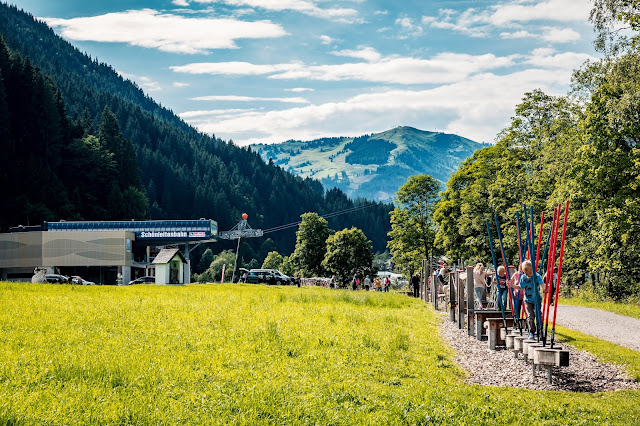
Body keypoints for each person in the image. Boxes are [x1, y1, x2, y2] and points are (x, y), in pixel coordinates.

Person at [510, 260, 543, 339]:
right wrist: (512, 285)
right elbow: (520, 287)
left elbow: (542, 284)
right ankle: (531, 331)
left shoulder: (537, 276)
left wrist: (545, 288)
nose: (528, 275)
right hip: (528, 300)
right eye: (526, 273)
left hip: (537, 299)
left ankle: (539, 330)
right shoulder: (523, 277)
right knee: (530, 316)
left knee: (538, 315)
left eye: (530, 273)